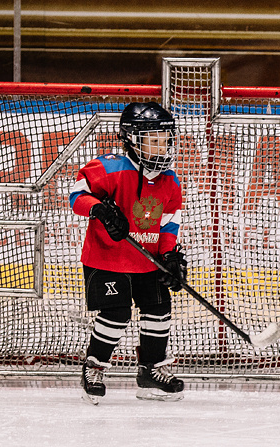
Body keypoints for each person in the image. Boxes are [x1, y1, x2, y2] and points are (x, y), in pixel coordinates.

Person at [70, 101, 188, 404]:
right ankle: (94, 367)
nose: (163, 147)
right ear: (133, 140)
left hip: (147, 261)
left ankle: (151, 372)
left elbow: (168, 222)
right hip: (107, 258)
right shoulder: (109, 168)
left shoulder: (170, 180)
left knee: (159, 309)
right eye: (154, 140)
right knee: (117, 313)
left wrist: (169, 257)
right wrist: (99, 209)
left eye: (166, 140)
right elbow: (76, 195)